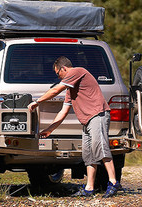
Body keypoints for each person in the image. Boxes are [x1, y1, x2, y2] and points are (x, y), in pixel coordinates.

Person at [28, 56, 121, 198]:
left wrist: (37, 101)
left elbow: (55, 90)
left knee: (100, 148)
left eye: (58, 73)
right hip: (87, 121)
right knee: (88, 154)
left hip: (98, 115)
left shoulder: (77, 71)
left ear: (63, 68)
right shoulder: (70, 90)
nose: (58, 77)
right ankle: (89, 188)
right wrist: (49, 130)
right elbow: (63, 111)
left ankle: (113, 183)